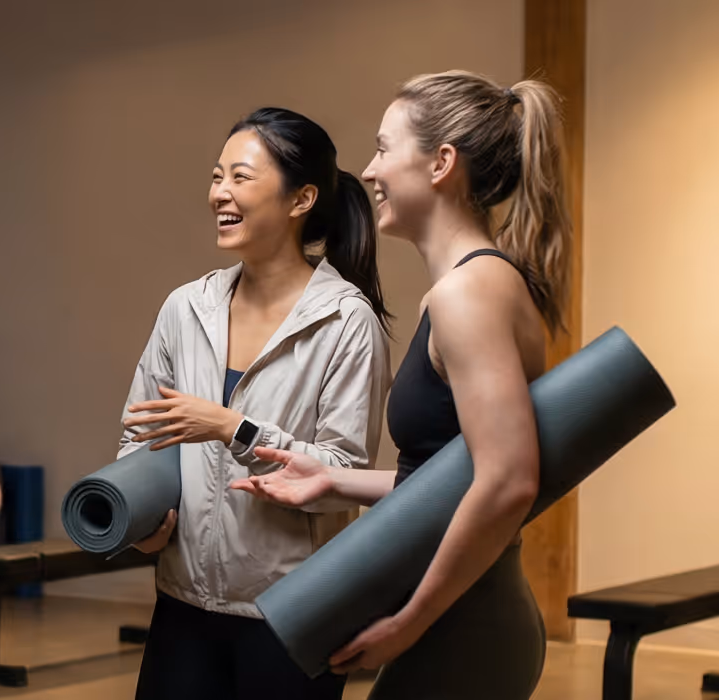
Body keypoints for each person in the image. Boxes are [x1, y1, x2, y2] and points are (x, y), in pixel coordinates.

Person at [234, 71, 572, 699]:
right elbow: (452, 475)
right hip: (458, 614)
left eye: (385, 148)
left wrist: (411, 621)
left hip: (466, 625)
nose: (369, 170)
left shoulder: (470, 292)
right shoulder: (460, 291)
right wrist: (333, 479)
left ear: (441, 163)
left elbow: (509, 480)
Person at [119, 107, 392, 699]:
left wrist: (233, 429)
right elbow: (139, 438)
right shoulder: (186, 307)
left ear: (301, 199)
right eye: (217, 176)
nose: (220, 192)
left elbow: (343, 475)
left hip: (294, 614)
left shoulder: (346, 323)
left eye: (240, 178)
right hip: (183, 605)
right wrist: (142, 520)